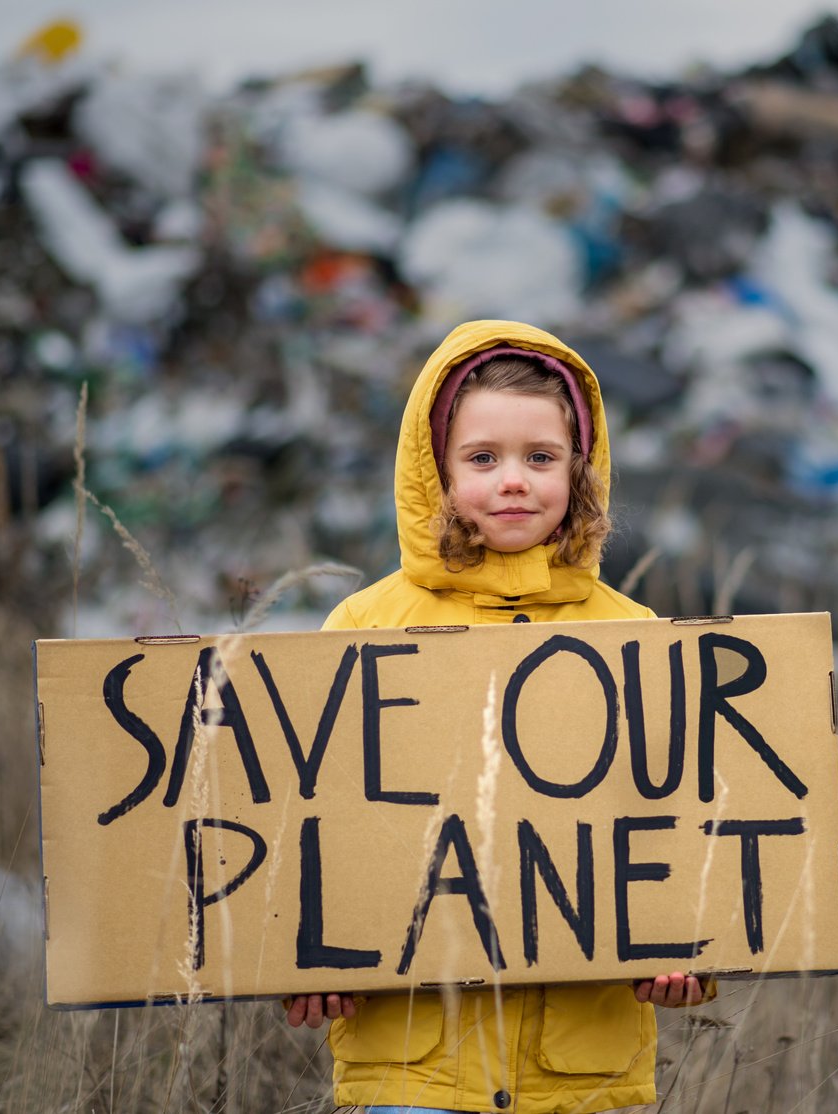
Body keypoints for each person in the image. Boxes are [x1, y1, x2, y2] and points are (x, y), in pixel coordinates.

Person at [285, 319, 708, 1113]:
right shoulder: (363, 626)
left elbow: (675, 824)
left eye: (540, 458)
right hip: (412, 1065)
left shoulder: (638, 638)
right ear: (432, 472)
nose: (513, 480)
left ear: (579, 472)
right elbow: (318, 821)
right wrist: (308, 962)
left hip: (581, 1074)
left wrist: (691, 955)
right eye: (482, 459)